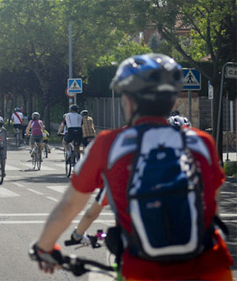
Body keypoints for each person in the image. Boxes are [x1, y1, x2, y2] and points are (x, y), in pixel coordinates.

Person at [30, 54, 233, 280]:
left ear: (127, 100)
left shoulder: (109, 144)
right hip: (211, 270)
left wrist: (44, 248)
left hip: (143, 272)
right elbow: (212, 206)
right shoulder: (201, 142)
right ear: (174, 101)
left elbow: (69, 206)